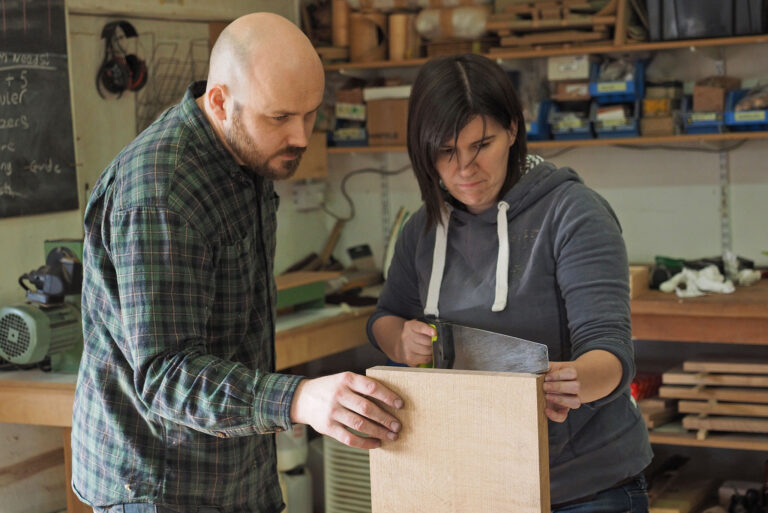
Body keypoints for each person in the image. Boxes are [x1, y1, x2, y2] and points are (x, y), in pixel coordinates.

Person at [72, 13, 403, 513]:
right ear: (221, 100)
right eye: (280, 117)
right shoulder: (163, 192)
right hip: (160, 486)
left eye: (310, 113)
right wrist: (298, 399)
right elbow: (166, 375)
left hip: (237, 470)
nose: (301, 136)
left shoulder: (248, 155)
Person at [367, 53, 652, 512]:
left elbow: (611, 352)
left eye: (481, 145)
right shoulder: (422, 229)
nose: (464, 169)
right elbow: (385, 317)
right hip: (474, 475)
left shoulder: (574, 213)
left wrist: (574, 381)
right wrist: (400, 340)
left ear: (513, 129)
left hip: (585, 485)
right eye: (444, 151)